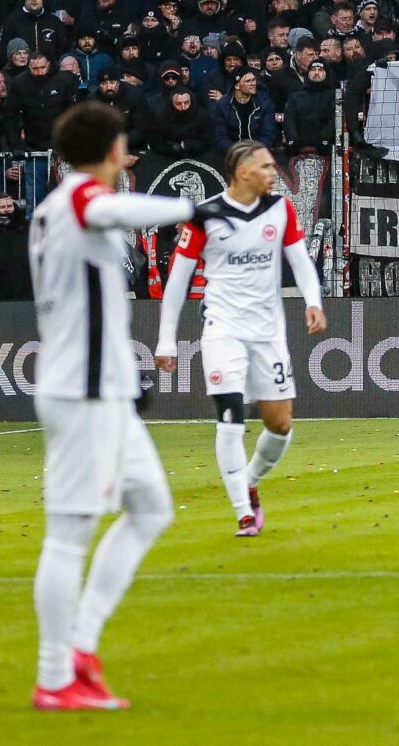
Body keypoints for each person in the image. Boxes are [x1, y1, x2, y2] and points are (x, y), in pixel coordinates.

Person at [27, 100, 202, 711]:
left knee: (151, 508)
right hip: (81, 390)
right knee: (70, 533)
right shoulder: (78, 199)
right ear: (108, 154)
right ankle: (54, 678)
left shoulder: (66, 209)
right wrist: (196, 206)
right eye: (123, 148)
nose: (128, 159)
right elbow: (118, 208)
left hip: (105, 388)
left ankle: (80, 649)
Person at [152, 141, 327, 538]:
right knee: (230, 417)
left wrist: (313, 302)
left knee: (280, 425)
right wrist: (166, 340)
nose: (273, 172)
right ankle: (243, 512)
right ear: (242, 172)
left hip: (268, 331)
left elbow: (299, 259)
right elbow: (177, 280)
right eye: (266, 167)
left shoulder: (280, 209)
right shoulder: (206, 214)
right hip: (223, 327)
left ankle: (249, 480)